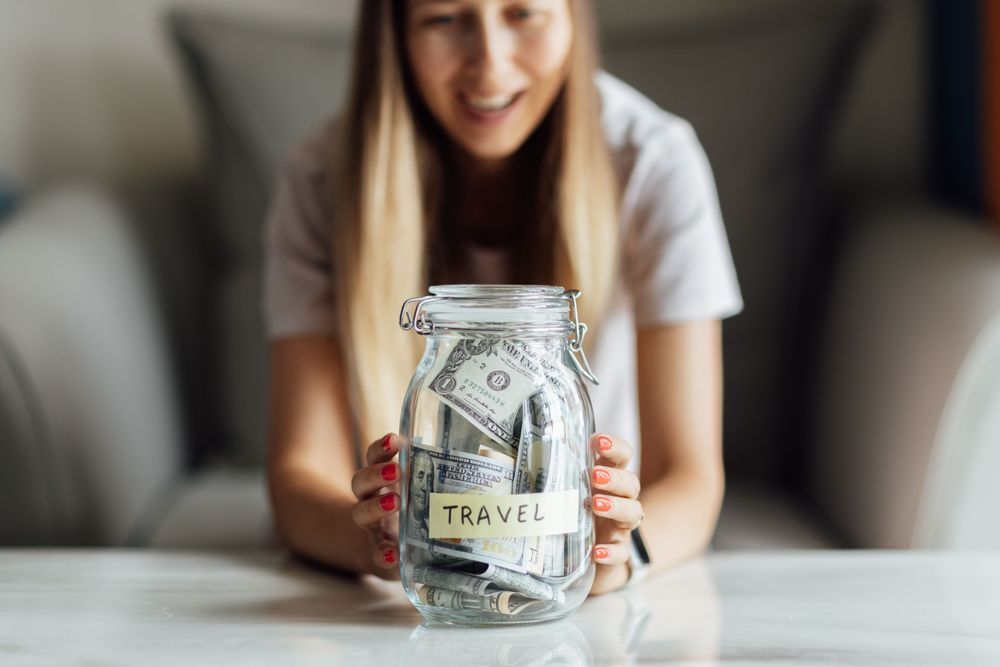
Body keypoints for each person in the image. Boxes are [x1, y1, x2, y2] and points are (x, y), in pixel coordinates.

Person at [264, 0, 742, 596]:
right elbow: (298, 477)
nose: (489, 65)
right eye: (445, 19)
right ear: (394, 35)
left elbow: (692, 481)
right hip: (412, 574)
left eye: (522, 13)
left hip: (578, 564)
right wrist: (381, 541)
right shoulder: (320, 180)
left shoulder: (654, 160)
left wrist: (614, 555)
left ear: (573, 17)